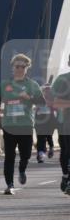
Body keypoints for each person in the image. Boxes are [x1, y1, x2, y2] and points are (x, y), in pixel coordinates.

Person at [0, 54, 45, 194]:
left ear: (27, 68)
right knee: (9, 156)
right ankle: (9, 185)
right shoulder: (5, 84)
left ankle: (22, 170)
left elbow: (42, 102)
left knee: (26, 155)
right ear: (12, 67)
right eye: (17, 66)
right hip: (9, 125)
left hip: (26, 125)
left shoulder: (32, 85)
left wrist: (29, 97)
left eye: (23, 66)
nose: (20, 69)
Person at [49, 54, 70, 193]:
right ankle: (66, 176)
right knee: (66, 152)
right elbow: (53, 102)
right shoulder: (62, 80)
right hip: (65, 124)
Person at [35, 82, 58, 162]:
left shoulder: (53, 99)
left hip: (49, 120)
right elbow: (34, 107)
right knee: (40, 137)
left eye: (48, 90)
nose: (46, 91)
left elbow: (56, 108)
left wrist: (51, 105)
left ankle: (51, 147)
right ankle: (41, 153)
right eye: (45, 90)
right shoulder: (39, 98)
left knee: (48, 136)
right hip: (40, 120)